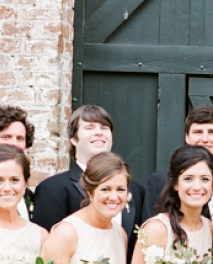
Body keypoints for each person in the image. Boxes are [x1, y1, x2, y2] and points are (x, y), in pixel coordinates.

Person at [32, 105, 145, 256]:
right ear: (74, 139)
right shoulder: (52, 189)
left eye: (104, 128)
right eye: (89, 128)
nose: (99, 132)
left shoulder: (136, 191)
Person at [143, 105, 213, 249]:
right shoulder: (160, 180)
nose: (205, 139)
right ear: (187, 137)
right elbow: (147, 239)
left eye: (212, 132)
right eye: (198, 132)